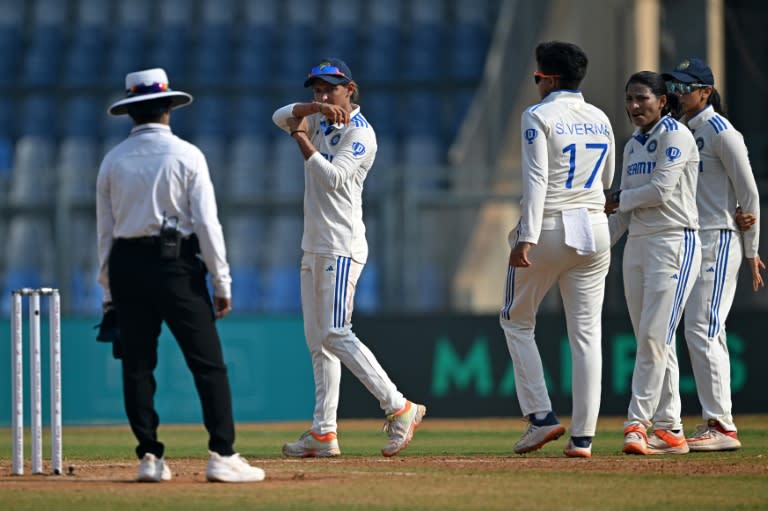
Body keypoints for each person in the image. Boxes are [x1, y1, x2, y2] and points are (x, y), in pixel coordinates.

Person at [96, 68, 265, 482]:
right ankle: (221, 454)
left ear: (131, 114)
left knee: (137, 365)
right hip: (177, 266)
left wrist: (107, 291)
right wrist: (221, 282)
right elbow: (207, 224)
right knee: (208, 364)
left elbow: (105, 232)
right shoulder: (186, 155)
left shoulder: (112, 161)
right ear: (169, 108)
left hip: (127, 266)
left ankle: (150, 458)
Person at [272, 58, 426, 458]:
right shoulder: (322, 118)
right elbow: (278, 115)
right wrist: (310, 113)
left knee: (336, 333)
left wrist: (299, 137)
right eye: (316, 90)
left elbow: (334, 177)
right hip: (314, 244)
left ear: (350, 89)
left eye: (330, 90)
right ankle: (324, 432)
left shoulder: (361, 134)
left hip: (341, 247)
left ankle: (399, 406)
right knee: (317, 342)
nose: (323, 96)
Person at [499, 41, 615, 458]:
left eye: (536, 77)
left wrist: (525, 237)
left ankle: (541, 417)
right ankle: (583, 438)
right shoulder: (600, 117)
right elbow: (607, 180)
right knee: (586, 334)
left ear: (547, 79)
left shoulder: (537, 115)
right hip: (594, 226)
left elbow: (536, 180)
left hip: (549, 226)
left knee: (515, 320)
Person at [663, 58, 764, 451]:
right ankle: (704, 421)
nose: (679, 94)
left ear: (706, 92)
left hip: (718, 238)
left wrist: (752, 249)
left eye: (687, 88)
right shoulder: (683, 130)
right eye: (676, 87)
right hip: (690, 238)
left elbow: (749, 193)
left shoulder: (721, 130)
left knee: (704, 328)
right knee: (693, 330)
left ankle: (721, 426)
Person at [605, 71, 701, 455]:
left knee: (652, 337)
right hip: (638, 246)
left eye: (642, 98)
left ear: (662, 101)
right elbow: (624, 212)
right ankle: (670, 429)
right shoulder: (633, 146)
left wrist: (619, 198)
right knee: (656, 341)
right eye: (629, 98)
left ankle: (636, 424)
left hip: (674, 240)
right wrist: (597, 247)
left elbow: (661, 190)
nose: (633, 106)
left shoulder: (675, 135)